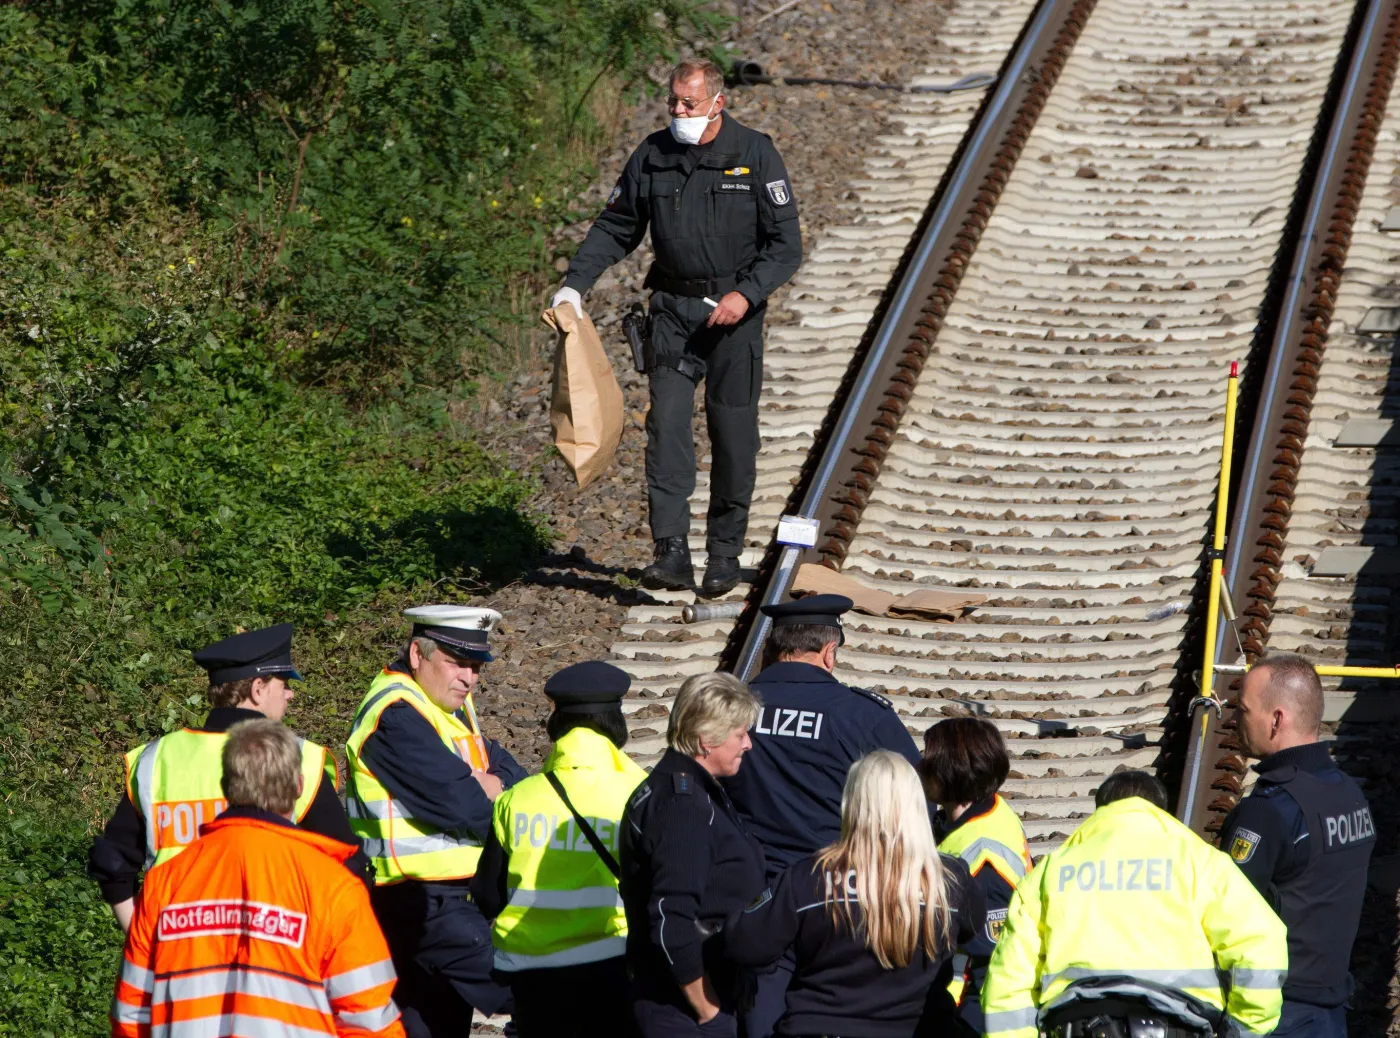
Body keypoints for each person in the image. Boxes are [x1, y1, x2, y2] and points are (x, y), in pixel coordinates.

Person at [550, 58, 803, 596]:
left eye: (688, 103)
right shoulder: (654, 155)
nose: (678, 111)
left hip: (733, 320)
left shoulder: (754, 153)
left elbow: (786, 246)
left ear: (717, 102)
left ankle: (724, 554)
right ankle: (670, 552)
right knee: (666, 429)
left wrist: (746, 294)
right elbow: (618, 226)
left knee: (732, 437)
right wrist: (575, 284)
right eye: (673, 101)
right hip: (672, 314)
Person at [112, 718, 404, 1038]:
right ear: (298, 787)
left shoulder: (165, 883)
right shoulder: (334, 887)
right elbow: (370, 1018)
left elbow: (132, 1012)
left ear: (227, 788)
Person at [723, 593, 921, 1038]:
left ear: (773, 648)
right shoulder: (861, 714)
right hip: (839, 897)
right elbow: (915, 802)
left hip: (755, 895)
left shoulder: (733, 708)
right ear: (829, 651)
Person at [90, 623, 366, 933]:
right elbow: (347, 866)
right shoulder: (297, 756)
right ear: (258, 689)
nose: (290, 694)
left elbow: (112, 866)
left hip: (179, 953)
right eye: (284, 683)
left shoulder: (156, 758)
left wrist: (146, 944)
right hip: (271, 953)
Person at [981, 771, 1287, 1038]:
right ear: (1162, 813)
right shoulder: (1201, 862)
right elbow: (1261, 944)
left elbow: (1008, 984)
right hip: (1177, 1027)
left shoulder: (1050, 872)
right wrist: (1243, 1030)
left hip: (1076, 1025)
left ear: (1100, 813)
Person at [345, 604, 527, 1037]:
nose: (469, 678)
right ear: (416, 654)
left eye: (476, 667)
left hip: (455, 900)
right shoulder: (395, 714)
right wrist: (480, 785)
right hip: (420, 902)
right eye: (457, 663)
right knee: (532, 992)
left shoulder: (445, 705)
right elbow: (465, 806)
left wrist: (488, 781)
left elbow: (511, 772)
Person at [726, 750, 985, 1038]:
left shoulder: (809, 877)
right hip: (919, 1027)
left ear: (853, 803)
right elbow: (972, 928)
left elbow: (744, 942)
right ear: (915, 803)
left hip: (822, 1026)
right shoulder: (950, 880)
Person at [471, 661, 647, 1037]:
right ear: (617, 723)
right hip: (612, 962)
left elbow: (488, 895)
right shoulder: (640, 795)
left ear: (556, 724)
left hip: (531, 974)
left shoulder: (517, 798)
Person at [1217, 652, 1374, 1037]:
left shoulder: (1269, 811)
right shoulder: (1349, 794)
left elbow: (1221, 909)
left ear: (1277, 720)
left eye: (1244, 709)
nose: (1236, 718)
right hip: (1331, 1009)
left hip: (1276, 1013)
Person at [620, 671, 768, 1037]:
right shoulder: (682, 807)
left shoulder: (692, 789)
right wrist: (708, 1010)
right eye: (740, 734)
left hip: (694, 993)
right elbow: (672, 917)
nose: (748, 744)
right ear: (706, 740)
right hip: (682, 1007)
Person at [920, 717, 1032, 1034]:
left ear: (949, 770)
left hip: (962, 1016)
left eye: (927, 758)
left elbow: (989, 966)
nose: (919, 765)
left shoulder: (983, 859)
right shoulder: (991, 809)